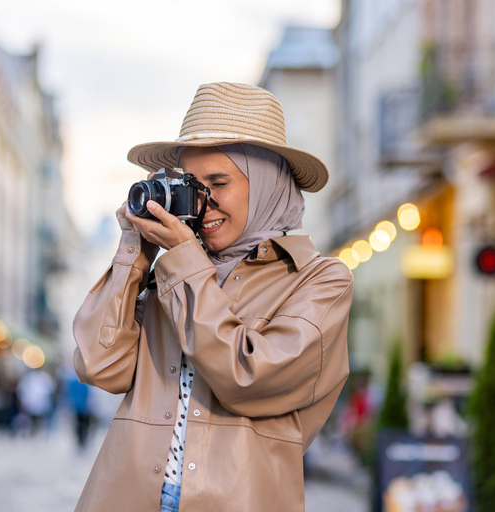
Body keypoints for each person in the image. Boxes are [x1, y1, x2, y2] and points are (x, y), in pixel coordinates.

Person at [73, 82, 353, 511]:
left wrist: (183, 261)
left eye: (217, 182)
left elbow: (249, 379)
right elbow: (100, 365)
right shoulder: (171, 272)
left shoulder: (320, 280)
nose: (202, 201)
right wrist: (136, 249)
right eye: (190, 184)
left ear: (266, 184)